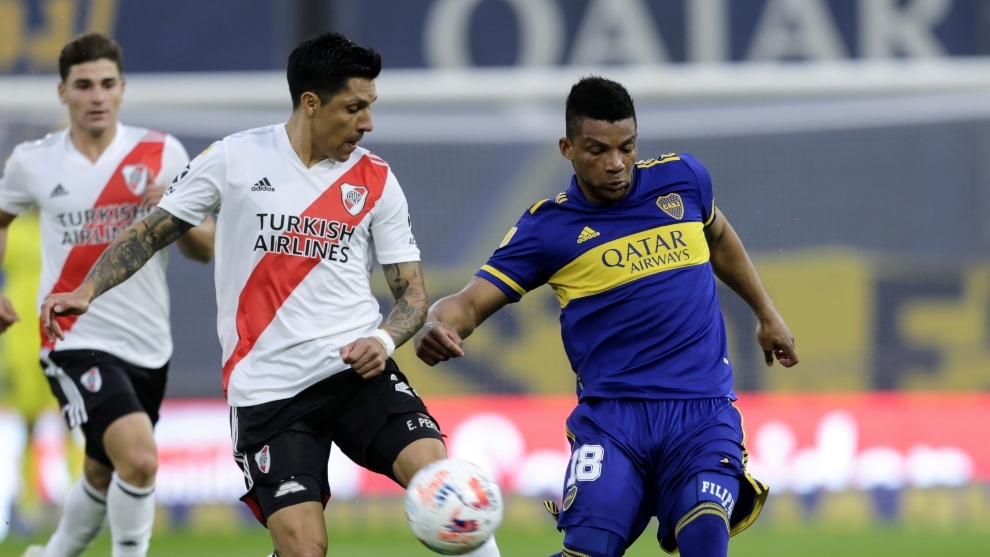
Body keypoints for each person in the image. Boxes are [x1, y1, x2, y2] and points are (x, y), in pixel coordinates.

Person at [38, 32, 500, 557]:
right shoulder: (234, 158)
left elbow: (412, 295)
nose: (367, 123)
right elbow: (149, 233)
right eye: (354, 108)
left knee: (446, 490)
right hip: (269, 392)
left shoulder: (376, 179)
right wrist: (86, 290)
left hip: (357, 375)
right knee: (305, 549)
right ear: (311, 103)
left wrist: (382, 340)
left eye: (369, 107)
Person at [414, 76, 799, 557]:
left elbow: (717, 236)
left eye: (626, 147)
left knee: (704, 532)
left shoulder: (684, 179)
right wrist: (437, 322)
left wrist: (766, 313)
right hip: (613, 421)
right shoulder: (547, 229)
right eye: (597, 150)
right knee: (589, 551)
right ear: (568, 148)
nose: (616, 163)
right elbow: (470, 302)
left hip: (701, 411)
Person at [0, 33, 215, 557]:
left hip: (148, 343)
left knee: (102, 470)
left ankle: (51, 554)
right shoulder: (33, 162)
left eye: (105, 84)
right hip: (72, 337)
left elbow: (205, 249)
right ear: (62, 92)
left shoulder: (161, 154)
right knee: (138, 459)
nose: (96, 96)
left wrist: (175, 211)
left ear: (122, 88)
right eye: (83, 85)